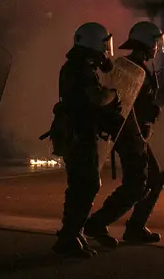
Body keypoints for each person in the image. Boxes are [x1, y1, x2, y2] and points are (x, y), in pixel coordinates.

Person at [83, 21, 164, 247]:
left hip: (138, 133)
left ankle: (135, 227)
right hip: (127, 132)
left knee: (155, 177)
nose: (157, 47)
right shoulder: (126, 68)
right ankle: (98, 223)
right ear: (147, 43)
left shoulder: (139, 67)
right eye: (155, 42)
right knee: (137, 182)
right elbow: (121, 103)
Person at [50, 22, 124, 258]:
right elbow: (95, 98)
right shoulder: (81, 68)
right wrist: (113, 95)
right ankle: (69, 236)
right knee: (87, 184)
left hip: (77, 132)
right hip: (78, 134)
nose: (105, 50)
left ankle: (73, 232)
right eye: (103, 44)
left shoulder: (76, 66)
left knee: (79, 185)